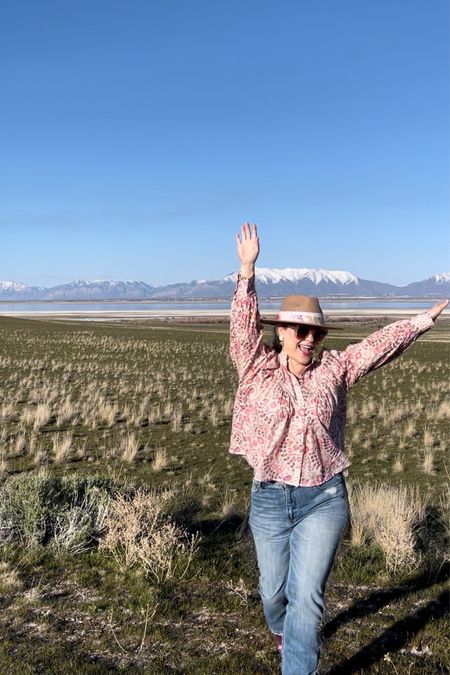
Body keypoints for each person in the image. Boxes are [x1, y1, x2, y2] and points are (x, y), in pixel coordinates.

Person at [228, 222, 448, 675]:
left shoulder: (336, 369)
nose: (308, 341)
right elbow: (241, 329)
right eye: (299, 332)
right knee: (274, 593)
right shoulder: (255, 368)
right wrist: (247, 270)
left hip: (324, 497)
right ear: (281, 331)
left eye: (316, 334)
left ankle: (297, 658)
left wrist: (421, 321)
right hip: (269, 496)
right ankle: (280, 631)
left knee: (306, 598)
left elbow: (377, 347)